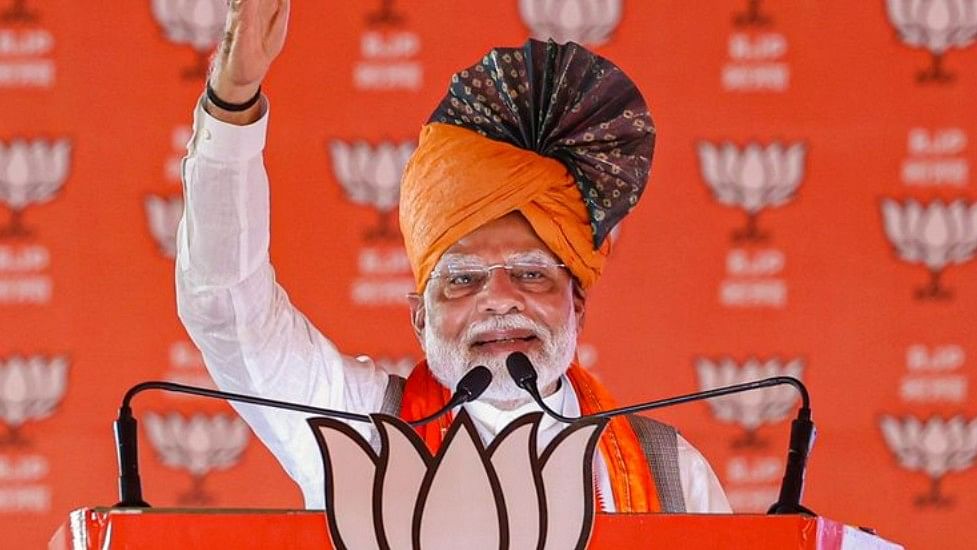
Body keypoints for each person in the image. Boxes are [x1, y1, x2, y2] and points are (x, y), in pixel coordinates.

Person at [177, 0, 730, 513]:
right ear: (420, 317)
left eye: (531, 274)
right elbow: (228, 310)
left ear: (576, 303)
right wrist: (233, 99)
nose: (498, 302)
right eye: (463, 281)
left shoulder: (674, 474)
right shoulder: (362, 432)